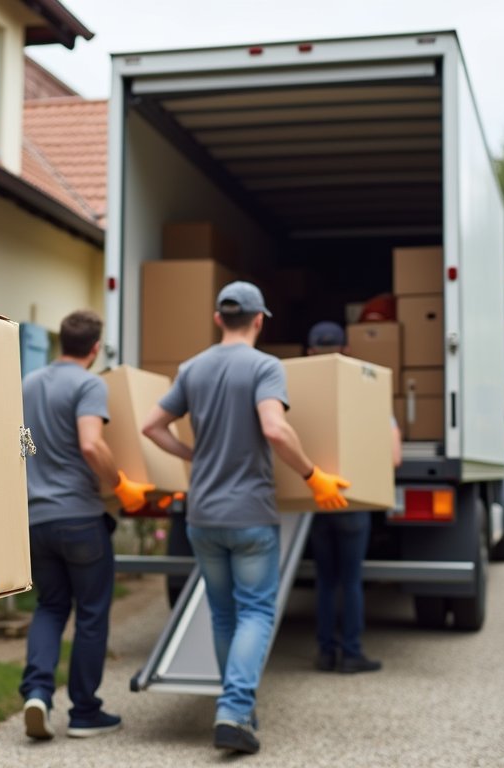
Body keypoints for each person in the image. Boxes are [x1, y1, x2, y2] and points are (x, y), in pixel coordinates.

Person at [142, 282, 351, 756]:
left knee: (223, 614)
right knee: (256, 611)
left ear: (219, 318)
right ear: (259, 320)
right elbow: (274, 428)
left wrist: (193, 455)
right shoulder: (264, 367)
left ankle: (238, 709)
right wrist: (312, 474)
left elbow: (151, 426)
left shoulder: (192, 369)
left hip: (202, 516)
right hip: (250, 514)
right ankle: (235, 710)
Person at [18, 310, 153, 740]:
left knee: (50, 606)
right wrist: (122, 485)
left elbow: (20, 445)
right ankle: (84, 712)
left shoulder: (29, 383)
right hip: (79, 518)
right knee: (91, 614)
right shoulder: (89, 384)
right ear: (95, 348)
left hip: (35, 520)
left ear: (60, 341)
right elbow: (92, 444)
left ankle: (37, 693)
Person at [304, 321, 402, 674]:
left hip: (317, 500)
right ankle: (351, 653)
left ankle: (325, 652)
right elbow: (394, 457)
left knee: (325, 580)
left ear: (310, 352)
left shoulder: (301, 393)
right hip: (352, 501)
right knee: (350, 579)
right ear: (346, 349)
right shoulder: (366, 392)